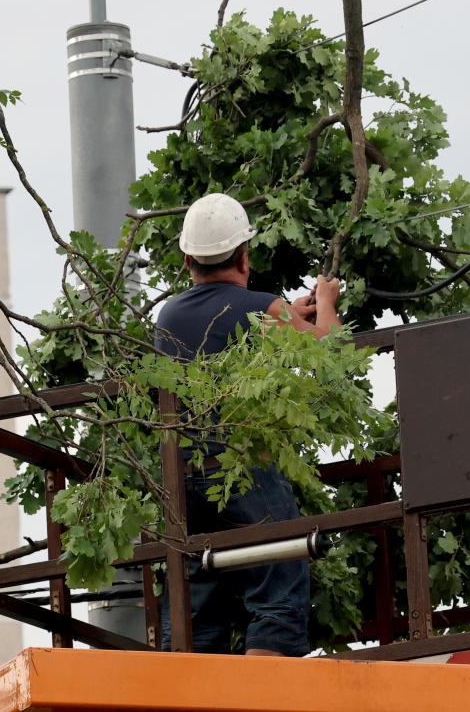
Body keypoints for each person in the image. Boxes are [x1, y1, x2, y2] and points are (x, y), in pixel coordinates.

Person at [153, 191, 342, 657]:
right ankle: (267, 687)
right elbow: (330, 353)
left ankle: (186, 696)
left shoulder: (168, 314)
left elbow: (221, 328)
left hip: (185, 478)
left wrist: (285, 315)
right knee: (280, 573)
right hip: (244, 469)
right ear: (244, 255)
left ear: (186, 259)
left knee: (194, 596)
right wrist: (326, 300)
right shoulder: (262, 307)